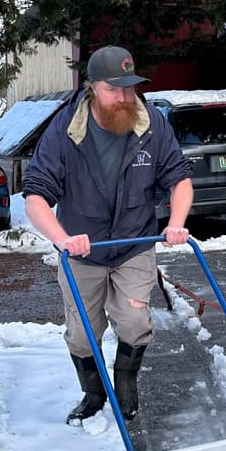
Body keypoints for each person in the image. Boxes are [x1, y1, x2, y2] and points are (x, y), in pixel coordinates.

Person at [23, 45, 194, 425]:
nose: (124, 97)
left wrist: (176, 221)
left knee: (134, 324)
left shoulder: (150, 124)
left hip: (133, 245)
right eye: (115, 89)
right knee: (83, 334)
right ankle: (93, 393)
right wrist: (62, 238)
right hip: (82, 250)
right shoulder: (66, 130)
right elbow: (34, 196)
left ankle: (126, 384)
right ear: (92, 88)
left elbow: (179, 178)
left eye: (130, 88)